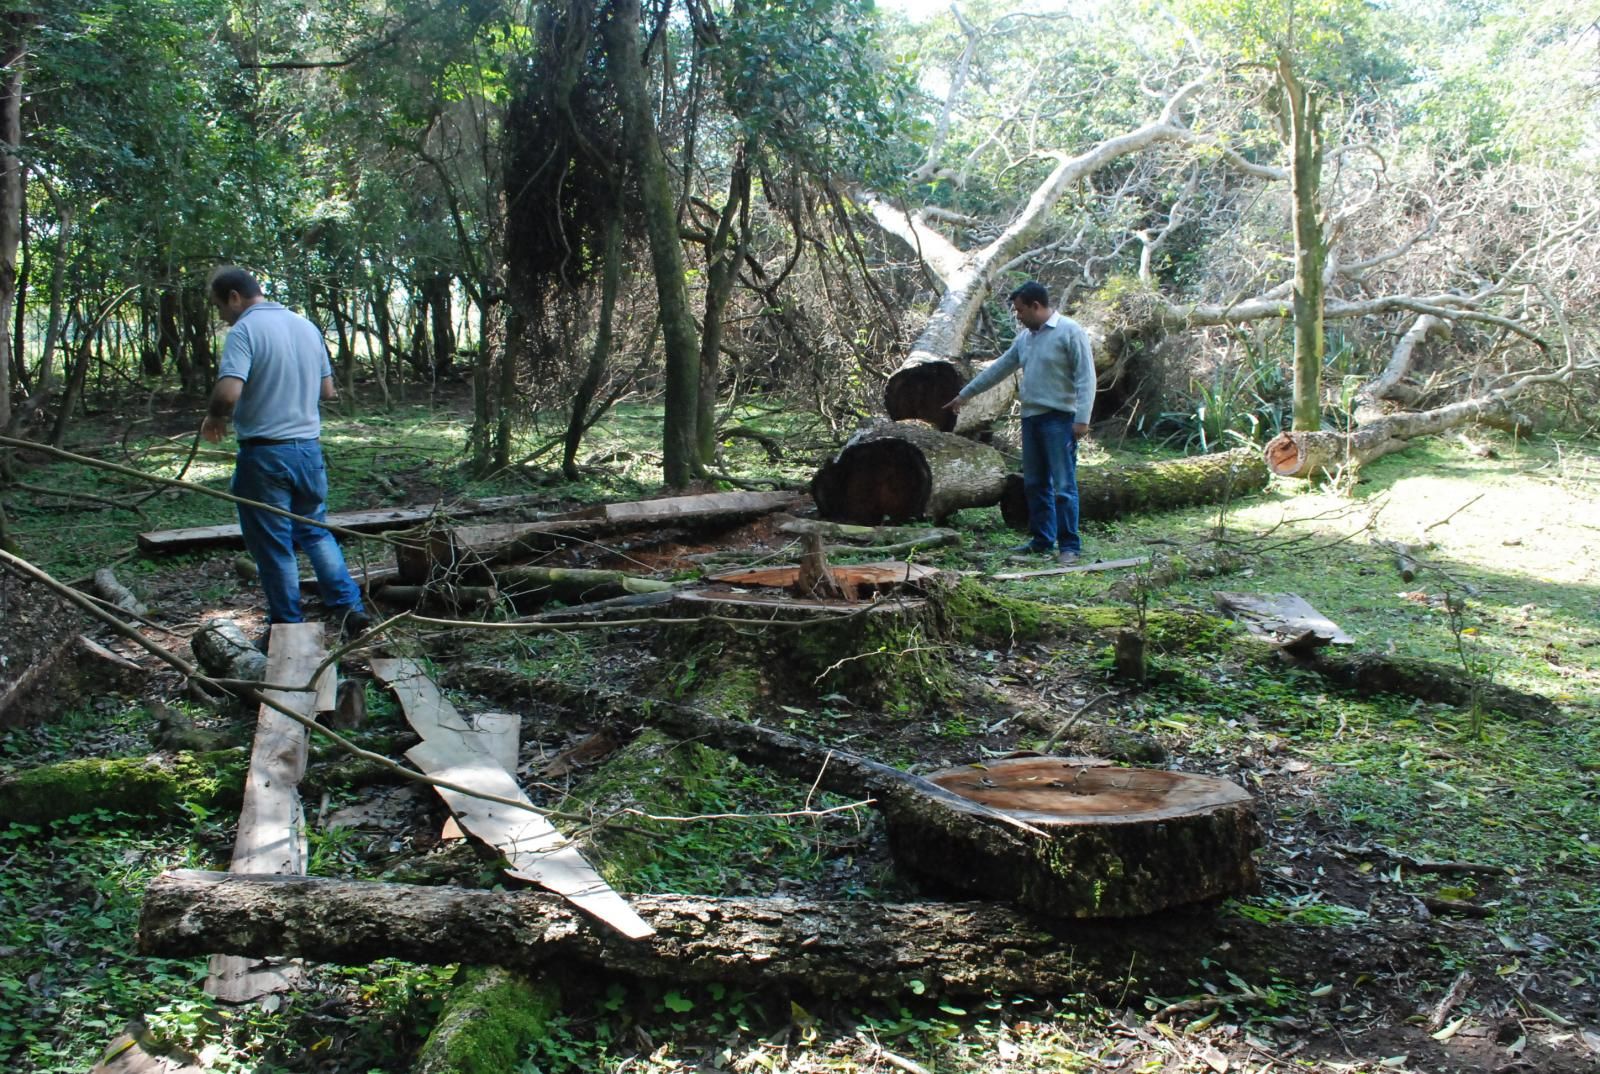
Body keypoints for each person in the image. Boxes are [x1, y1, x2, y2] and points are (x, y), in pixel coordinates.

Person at [201, 266, 370, 642]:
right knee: (315, 531)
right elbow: (327, 391)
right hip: (308, 449)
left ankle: (286, 626)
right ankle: (349, 610)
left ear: (234, 297)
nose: (221, 316)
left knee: (273, 544)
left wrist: (214, 415)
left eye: (219, 307)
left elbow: (229, 392)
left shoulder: (245, 330)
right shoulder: (306, 327)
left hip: (265, 454)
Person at [945, 280, 1096, 566]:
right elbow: (1000, 368)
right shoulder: (1025, 339)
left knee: (1063, 486)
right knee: (1035, 483)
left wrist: (1082, 420)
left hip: (1059, 419)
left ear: (1035, 306)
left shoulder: (1070, 332)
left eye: (1019, 311)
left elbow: (1086, 377)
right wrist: (964, 395)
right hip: (1032, 419)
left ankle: (1069, 547)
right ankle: (1042, 540)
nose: (1017, 316)